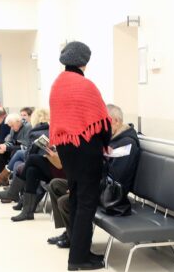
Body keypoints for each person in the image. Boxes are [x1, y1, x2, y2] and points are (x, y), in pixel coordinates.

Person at [50, 41, 112, 271]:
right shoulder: (85, 86)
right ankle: (78, 258)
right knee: (87, 203)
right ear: (84, 61)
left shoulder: (57, 84)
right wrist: (106, 144)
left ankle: (80, 250)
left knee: (76, 198)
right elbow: (102, 121)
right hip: (86, 151)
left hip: (66, 149)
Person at [47, 104, 140, 248]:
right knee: (55, 185)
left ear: (116, 121)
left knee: (65, 202)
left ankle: (78, 242)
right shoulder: (113, 139)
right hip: (99, 186)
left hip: (112, 194)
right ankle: (69, 232)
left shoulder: (127, 143)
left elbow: (115, 178)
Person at [0, 108, 50, 187]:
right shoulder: (13, 129)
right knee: (4, 153)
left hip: (27, 151)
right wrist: (5, 145)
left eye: (12, 125)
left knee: (17, 153)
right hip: (25, 151)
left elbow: (27, 145)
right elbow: (10, 140)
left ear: (18, 122)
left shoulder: (29, 127)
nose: (11, 128)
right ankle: (1, 178)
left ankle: (3, 177)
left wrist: (8, 148)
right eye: (10, 126)